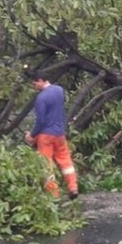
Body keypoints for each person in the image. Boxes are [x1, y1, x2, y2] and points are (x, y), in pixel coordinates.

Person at [24, 71, 79, 200]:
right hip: (60, 133)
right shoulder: (59, 90)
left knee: (45, 163)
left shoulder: (41, 98)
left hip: (46, 136)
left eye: (35, 83)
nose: (34, 86)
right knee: (65, 161)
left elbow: (41, 121)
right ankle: (73, 188)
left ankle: (53, 194)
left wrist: (31, 136)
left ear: (41, 80)